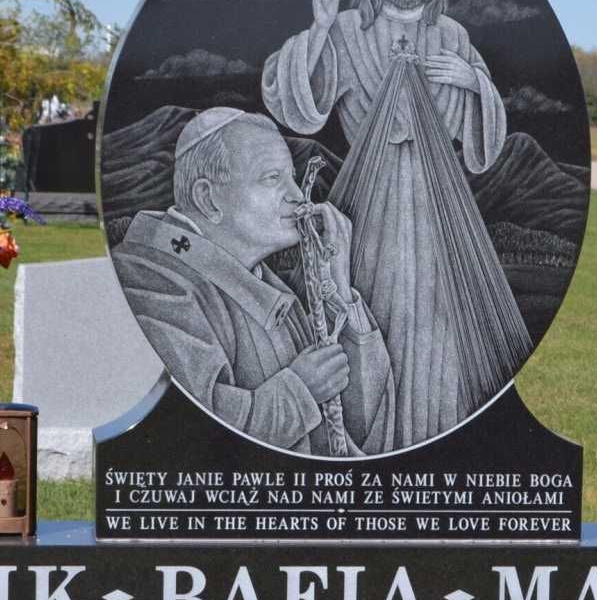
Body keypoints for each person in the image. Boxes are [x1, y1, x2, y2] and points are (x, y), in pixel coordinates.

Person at [262, 0, 533, 449]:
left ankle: (435, 433)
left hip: (441, 210)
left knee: (441, 324)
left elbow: (482, 142)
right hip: (370, 206)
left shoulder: (451, 35)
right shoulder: (345, 30)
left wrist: (474, 84)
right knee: (371, 307)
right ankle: (374, 434)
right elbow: (298, 106)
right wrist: (317, 31)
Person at [112, 108, 394, 455]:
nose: (296, 194)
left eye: (292, 177)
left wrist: (336, 285)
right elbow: (190, 437)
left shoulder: (269, 288)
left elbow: (354, 431)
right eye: (272, 178)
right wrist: (300, 391)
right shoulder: (153, 281)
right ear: (208, 198)